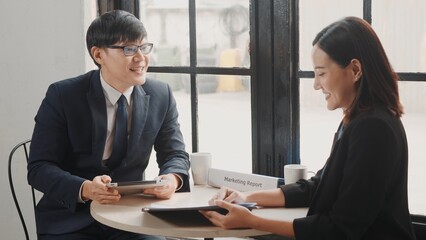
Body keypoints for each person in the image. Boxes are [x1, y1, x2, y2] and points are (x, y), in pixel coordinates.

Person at [201, 16, 416, 239]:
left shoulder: (373, 129)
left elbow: (341, 230)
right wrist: (246, 197)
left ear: (355, 70)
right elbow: (318, 186)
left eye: (321, 73)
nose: (315, 84)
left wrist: (253, 221)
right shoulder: (359, 120)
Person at [27, 10, 190, 240]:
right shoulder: (63, 95)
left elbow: (175, 154)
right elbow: (39, 168)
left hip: (132, 218)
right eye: (129, 49)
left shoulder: (161, 94)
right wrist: (85, 189)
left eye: (144, 47)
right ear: (98, 54)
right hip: (71, 221)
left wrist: (171, 178)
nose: (140, 57)